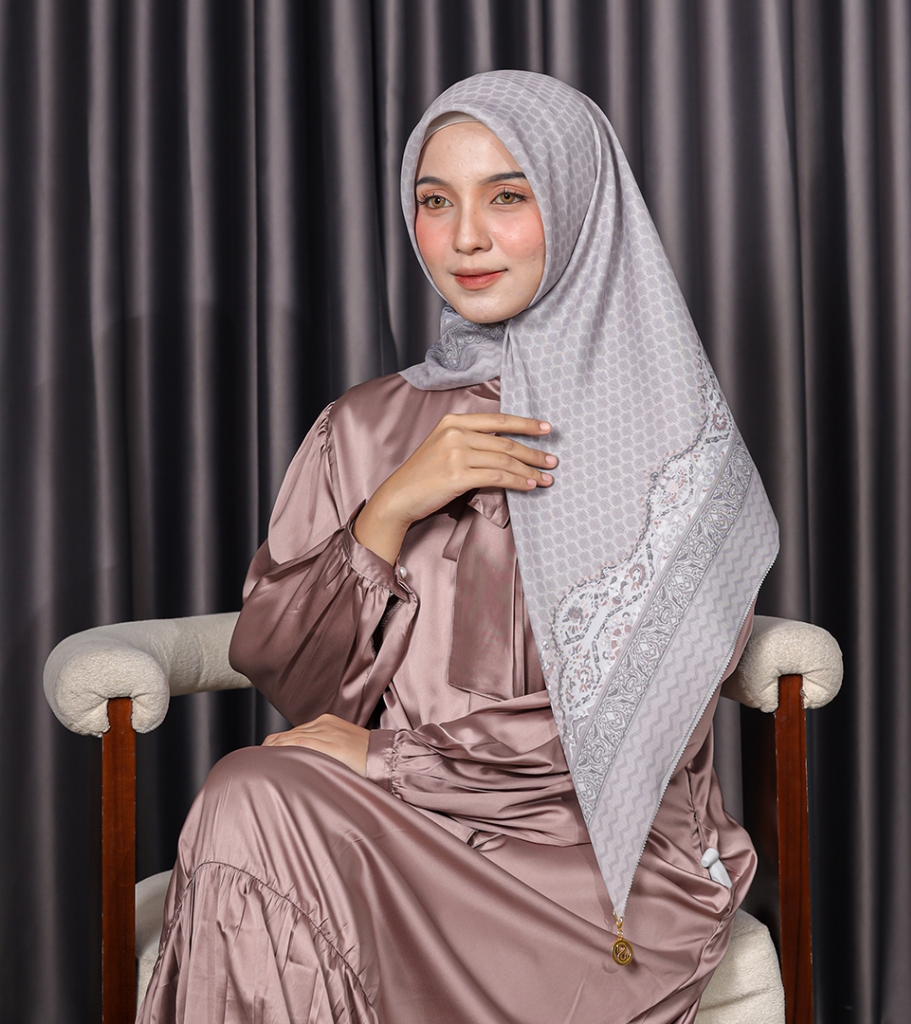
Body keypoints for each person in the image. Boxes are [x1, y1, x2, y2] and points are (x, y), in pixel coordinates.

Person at [137, 70, 778, 1024]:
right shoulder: (363, 427)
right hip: (392, 822)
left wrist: (388, 759)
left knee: (255, 800)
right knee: (252, 795)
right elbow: (298, 686)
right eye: (435, 202)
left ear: (580, 206)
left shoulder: (667, 436)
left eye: (507, 196)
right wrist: (391, 508)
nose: (466, 237)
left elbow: (641, 727)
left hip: (591, 862)